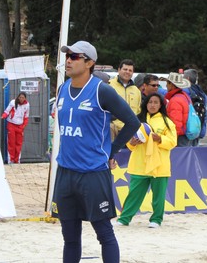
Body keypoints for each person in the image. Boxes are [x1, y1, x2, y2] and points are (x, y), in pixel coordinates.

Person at [51, 41, 140, 263]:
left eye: (74, 56)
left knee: (104, 234)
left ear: (89, 62)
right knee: (69, 238)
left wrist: (112, 151)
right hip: (65, 173)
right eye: (67, 56)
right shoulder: (62, 88)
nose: (68, 60)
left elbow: (132, 122)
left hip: (93, 173)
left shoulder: (102, 90)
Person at [115, 92, 177, 228]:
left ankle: (156, 220)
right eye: (150, 102)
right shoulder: (137, 121)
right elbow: (130, 145)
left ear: (161, 105)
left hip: (159, 165)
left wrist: (160, 139)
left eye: (156, 102)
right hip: (139, 163)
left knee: (158, 196)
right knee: (134, 194)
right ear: (145, 104)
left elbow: (173, 142)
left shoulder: (167, 122)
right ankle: (124, 219)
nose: (153, 105)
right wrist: (132, 142)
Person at [163, 72, 196, 147]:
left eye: (167, 83)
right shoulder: (185, 96)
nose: (166, 85)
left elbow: (176, 124)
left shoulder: (175, 100)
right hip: (186, 136)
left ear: (171, 85)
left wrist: (171, 138)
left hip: (179, 138)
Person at [110, 59, 142, 136]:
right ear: (119, 70)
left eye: (130, 70)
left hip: (131, 131)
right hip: (113, 129)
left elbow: (138, 111)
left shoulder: (136, 90)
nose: (127, 72)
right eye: (125, 69)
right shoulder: (109, 85)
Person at [2, 92, 30, 164]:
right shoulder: (13, 102)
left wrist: (23, 126)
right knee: (11, 143)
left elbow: (26, 117)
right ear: (18, 97)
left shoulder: (27, 105)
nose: (21, 99)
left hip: (20, 126)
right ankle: (10, 160)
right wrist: (3, 116)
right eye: (20, 97)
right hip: (11, 125)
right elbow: (7, 111)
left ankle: (17, 160)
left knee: (19, 144)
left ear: (25, 98)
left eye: (23, 97)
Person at [183, 69, 207, 140]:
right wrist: (202, 132)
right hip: (198, 130)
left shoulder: (185, 92)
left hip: (188, 131)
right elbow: (205, 114)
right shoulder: (203, 94)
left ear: (187, 79)